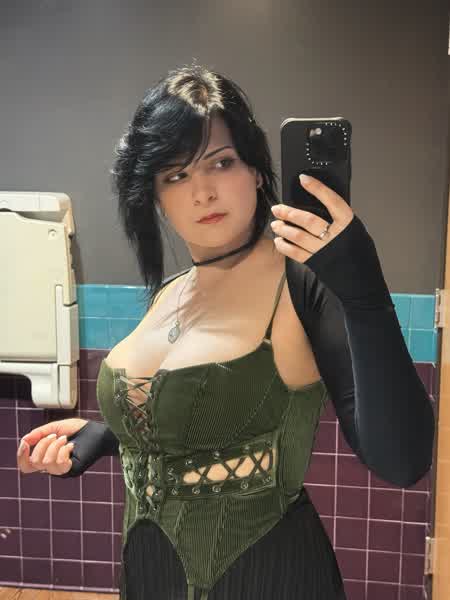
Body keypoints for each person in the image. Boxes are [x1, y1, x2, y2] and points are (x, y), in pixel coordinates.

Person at [17, 62, 435, 600]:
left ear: (256, 170)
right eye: (175, 175)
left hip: (268, 575)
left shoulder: (303, 284)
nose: (202, 192)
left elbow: (402, 460)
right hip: (148, 573)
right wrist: (103, 437)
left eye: (220, 162)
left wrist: (366, 294)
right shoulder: (168, 293)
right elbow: (200, 421)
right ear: (155, 195)